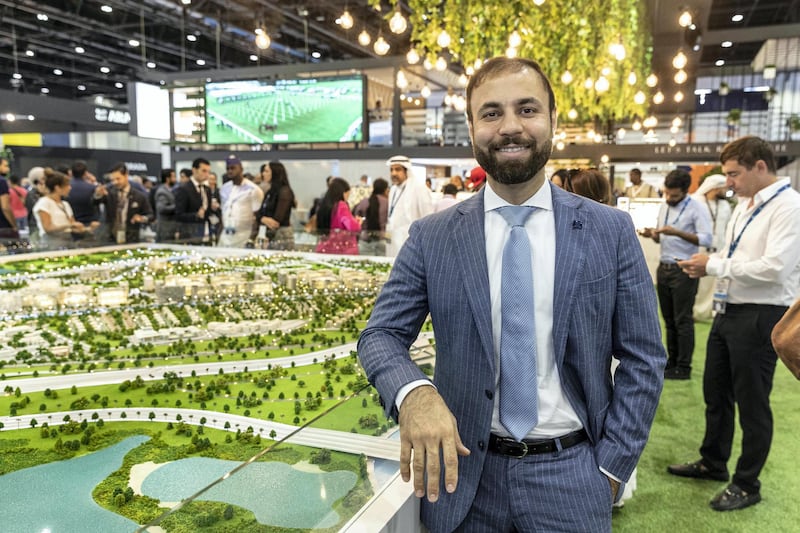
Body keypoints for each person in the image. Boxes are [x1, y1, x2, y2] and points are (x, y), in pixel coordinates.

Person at [358, 56, 665, 533]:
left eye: (527, 109)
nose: (510, 127)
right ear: (472, 126)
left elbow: (644, 357)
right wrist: (415, 394)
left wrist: (611, 467)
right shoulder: (433, 236)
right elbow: (380, 335)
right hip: (464, 478)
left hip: (574, 472)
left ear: (552, 121)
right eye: (492, 113)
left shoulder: (609, 230)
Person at [671, 136, 800, 511]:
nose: (727, 181)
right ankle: (714, 461)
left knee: (752, 402)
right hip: (729, 312)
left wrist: (713, 265)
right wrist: (710, 259)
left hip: (762, 315)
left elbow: (775, 269)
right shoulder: (746, 204)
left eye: (733, 174)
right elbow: (733, 254)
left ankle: (748, 483)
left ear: (760, 166)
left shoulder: (789, 207)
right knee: (716, 392)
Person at [640, 169, 712, 379]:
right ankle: (671, 361)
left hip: (685, 269)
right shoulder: (664, 207)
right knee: (668, 319)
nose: (670, 198)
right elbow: (661, 238)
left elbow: (706, 239)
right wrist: (653, 234)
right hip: (664, 267)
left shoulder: (697, 208)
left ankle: (684, 366)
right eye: (667, 194)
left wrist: (677, 232)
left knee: (683, 320)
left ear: (685, 191)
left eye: (674, 196)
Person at [692, 174, 733, 320]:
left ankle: (710, 313)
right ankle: (695, 312)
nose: (726, 190)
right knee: (698, 286)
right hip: (699, 251)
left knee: (715, 286)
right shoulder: (695, 202)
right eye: (724, 188)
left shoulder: (725, 205)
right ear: (715, 188)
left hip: (718, 252)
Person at [32, 168, 97, 249]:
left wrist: (88, 228)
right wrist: (68, 225)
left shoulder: (65, 204)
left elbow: (73, 227)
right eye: (67, 185)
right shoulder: (44, 203)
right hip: (51, 245)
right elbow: (47, 228)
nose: (70, 188)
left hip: (67, 243)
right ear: (57, 188)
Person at [385, 155, 432, 257]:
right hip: (393, 241)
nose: (393, 173)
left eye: (398, 169)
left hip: (412, 244)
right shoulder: (393, 190)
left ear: (407, 171)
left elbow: (428, 218)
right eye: (391, 170)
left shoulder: (419, 188)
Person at [99, 163, 154, 244]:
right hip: (110, 239)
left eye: (118, 179)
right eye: (113, 180)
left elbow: (151, 215)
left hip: (131, 239)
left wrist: (142, 218)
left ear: (126, 176)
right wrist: (97, 194)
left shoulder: (139, 196)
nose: (115, 182)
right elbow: (94, 201)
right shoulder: (109, 193)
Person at [218, 155, 263, 248]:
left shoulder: (253, 189)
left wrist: (251, 239)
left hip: (244, 237)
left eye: (233, 168)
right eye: (228, 168)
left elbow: (256, 218)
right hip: (225, 236)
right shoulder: (224, 188)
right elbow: (223, 213)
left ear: (241, 169)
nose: (230, 171)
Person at [314, 177, 361, 255]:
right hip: (341, 249)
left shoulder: (324, 205)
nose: (348, 197)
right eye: (348, 194)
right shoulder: (341, 205)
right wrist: (358, 222)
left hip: (324, 248)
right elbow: (353, 227)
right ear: (343, 193)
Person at [257, 161, 296, 250]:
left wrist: (263, 218)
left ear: (275, 173)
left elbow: (277, 220)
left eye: (266, 171)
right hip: (269, 234)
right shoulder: (270, 192)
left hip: (282, 235)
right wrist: (262, 218)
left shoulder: (284, 191)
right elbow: (259, 213)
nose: (263, 174)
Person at [174, 157, 212, 245]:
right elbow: (178, 214)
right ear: (194, 170)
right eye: (204, 171)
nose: (207, 175)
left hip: (205, 232)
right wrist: (195, 215)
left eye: (208, 171)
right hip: (189, 235)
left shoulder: (207, 189)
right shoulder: (184, 189)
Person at [354, 178, 389, 256]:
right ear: (385, 189)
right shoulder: (388, 203)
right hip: (382, 240)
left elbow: (356, 218)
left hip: (365, 240)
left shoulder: (364, 202)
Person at [154, 168, 178, 243]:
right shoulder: (162, 192)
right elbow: (161, 208)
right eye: (173, 177)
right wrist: (177, 207)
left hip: (170, 228)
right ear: (168, 179)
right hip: (164, 229)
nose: (175, 179)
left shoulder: (170, 190)